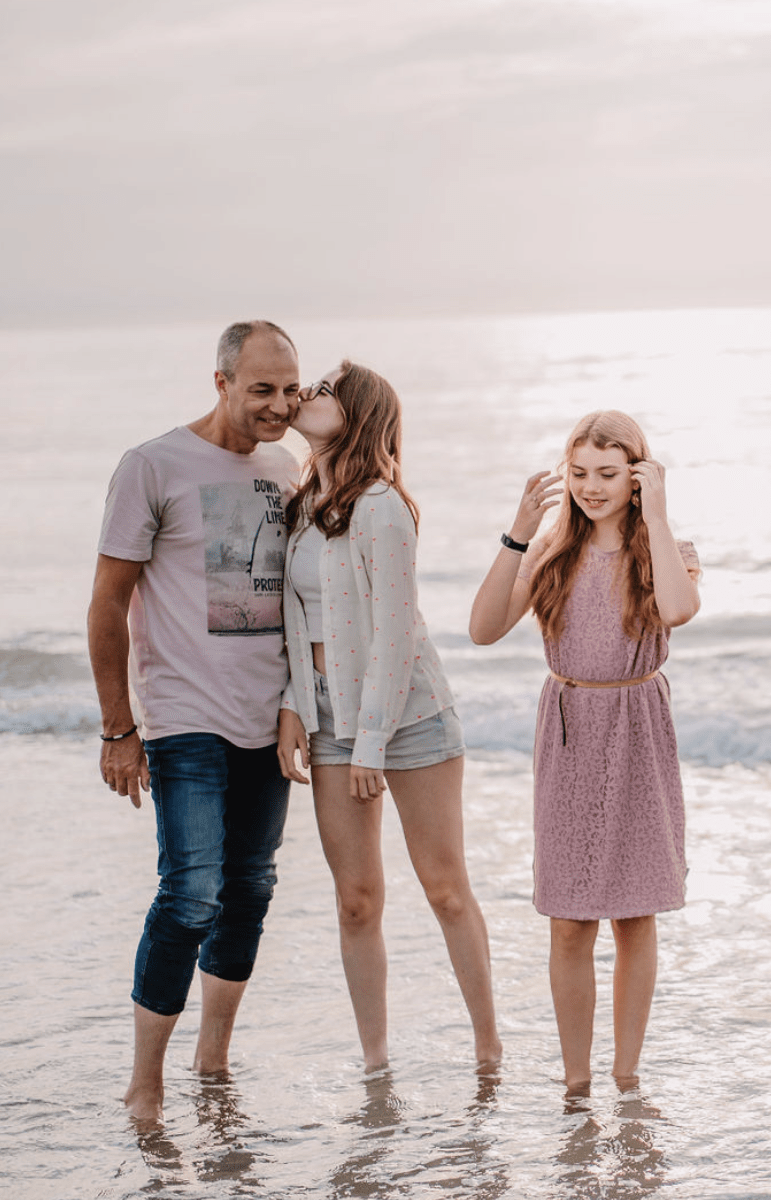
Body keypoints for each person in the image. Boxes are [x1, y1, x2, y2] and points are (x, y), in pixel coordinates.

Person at [90, 320, 301, 1122]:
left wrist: (299, 709)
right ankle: (145, 1084)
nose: (278, 405)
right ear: (220, 383)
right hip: (184, 718)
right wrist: (119, 728)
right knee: (190, 894)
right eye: (261, 390)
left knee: (251, 889)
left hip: (266, 718)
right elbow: (108, 600)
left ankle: (214, 1061)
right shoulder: (152, 466)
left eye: (291, 389)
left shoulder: (288, 468)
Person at [275, 360, 501, 1073]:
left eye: (325, 389)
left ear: (361, 411)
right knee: (356, 900)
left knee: (445, 890)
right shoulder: (301, 497)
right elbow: (294, 618)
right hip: (331, 719)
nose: (307, 392)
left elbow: (397, 635)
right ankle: (376, 1063)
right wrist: (294, 709)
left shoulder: (383, 506)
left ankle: (489, 1047)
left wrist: (372, 741)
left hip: (410, 718)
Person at [469, 410, 700, 1096]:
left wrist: (655, 514)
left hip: (637, 729)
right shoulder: (549, 550)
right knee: (569, 919)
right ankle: (576, 1081)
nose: (591, 488)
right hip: (569, 733)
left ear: (637, 475)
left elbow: (680, 610)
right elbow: (482, 630)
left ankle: (626, 1075)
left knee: (635, 912)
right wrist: (518, 531)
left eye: (608, 474)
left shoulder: (666, 547)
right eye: (579, 475)